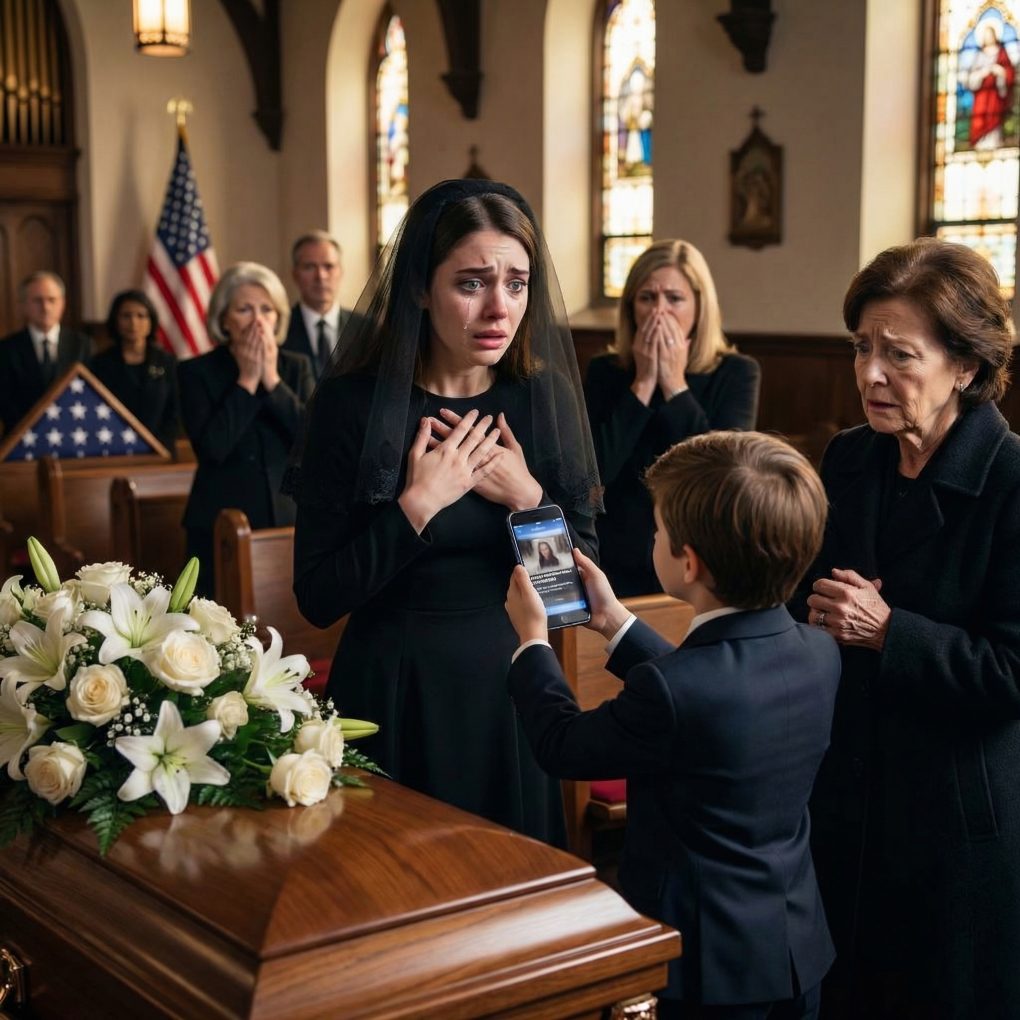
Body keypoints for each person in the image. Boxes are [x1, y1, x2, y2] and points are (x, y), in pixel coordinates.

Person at [289, 179, 601, 844]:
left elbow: (570, 601)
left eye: (517, 283)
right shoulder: (350, 407)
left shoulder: (542, 401)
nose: (499, 307)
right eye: (472, 283)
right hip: (392, 690)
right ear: (419, 289)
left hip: (510, 688)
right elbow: (318, 597)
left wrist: (529, 503)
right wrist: (415, 506)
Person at [505, 431, 840, 1019]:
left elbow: (564, 746)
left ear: (687, 561)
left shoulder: (677, 689)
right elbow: (714, 692)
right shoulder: (819, 651)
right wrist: (614, 622)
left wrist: (532, 641)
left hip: (704, 967)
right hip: (793, 946)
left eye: (658, 531)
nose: (652, 538)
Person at [792, 237, 1020, 1019]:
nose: (870, 374)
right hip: (846, 800)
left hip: (952, 823)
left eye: (899, 354)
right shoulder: (851, 459)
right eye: (861, 348)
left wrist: (893, 633)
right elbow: (807, 601)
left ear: (965, 364)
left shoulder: (1011, 481)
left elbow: (1012, 672)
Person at [585, 240, 760, 596]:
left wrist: (675, 385)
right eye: (647, 298)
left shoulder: (737, 372)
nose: (659, 312)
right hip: (615, 554)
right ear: (631, 307)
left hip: (700, 556)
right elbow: (593, 471)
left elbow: (723, 475)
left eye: (674, 299)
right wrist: (644, 384)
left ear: (699, 307)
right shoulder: (605, 371)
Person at [179, 262, 314, 597]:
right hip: (218, 521)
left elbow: (311, 440)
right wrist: (247, 381)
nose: (258, 320)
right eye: (244, 309)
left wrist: (271, 380)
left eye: (266, 309)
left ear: (278, 318)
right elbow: (212, 449)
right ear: (224, 318)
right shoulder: (195, 372)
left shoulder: (296, 366)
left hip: (288, 518)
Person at [87, 290, 179, 453]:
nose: (133, 322)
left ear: (151, 321)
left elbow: (176, 412)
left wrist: (159, 444)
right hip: (114, 450)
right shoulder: (99, 364)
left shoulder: (167, 363)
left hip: (160, 451)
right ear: (115, 320)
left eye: (141, 316)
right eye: (126, 316)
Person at [0, 271, 91, 435]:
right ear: (23, 305)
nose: (45, 307)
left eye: (51, 300)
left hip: (73, 434)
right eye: (37, 301)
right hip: (22, 437)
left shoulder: (83, 345)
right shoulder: (6, 349)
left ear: (62, 303)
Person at [281, 231, 352, 379]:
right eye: (309, 267)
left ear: (340, 272)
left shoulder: (367, 328)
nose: (321, 276)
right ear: (295, 274)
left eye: (329, 266)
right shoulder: (279, 327)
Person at [962, 21, 1015, 150]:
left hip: (995, 96)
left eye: (990, 34)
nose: (988, 37)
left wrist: (999, 71)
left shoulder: (1002, 53)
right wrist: (982, 73)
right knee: (979, 120)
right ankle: (980, 146)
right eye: (986, 35)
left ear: (995, 36)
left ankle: (994, 144)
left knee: (995, 120)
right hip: (981, 96)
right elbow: (970, 78)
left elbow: (1009, 74)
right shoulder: (978, 55)